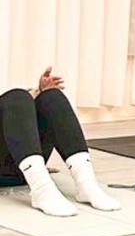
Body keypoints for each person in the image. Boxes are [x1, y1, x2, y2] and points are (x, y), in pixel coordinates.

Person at [0, 68, 119, 219]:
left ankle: (87, 183)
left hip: (21, 168)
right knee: (17, 96)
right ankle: (41, 189)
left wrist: (38, 92)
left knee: (50, 96)